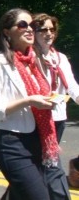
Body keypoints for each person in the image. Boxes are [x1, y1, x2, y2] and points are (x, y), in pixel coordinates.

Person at [0, 8, 70, 200]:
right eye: (23, 25)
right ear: (7, 31)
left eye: (32, 25)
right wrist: (28, 101)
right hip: (13, 145)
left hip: (38, 141)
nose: (30, 29)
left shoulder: (35, 61)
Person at [32, 13, 79, 143]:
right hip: (38, 117)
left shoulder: (61, 58)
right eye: (43, 30)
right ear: (34, 33)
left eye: (52, 29)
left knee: (51, 158)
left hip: (59, 115)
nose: (49, 33)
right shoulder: (29, 58)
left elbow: (71, 84)